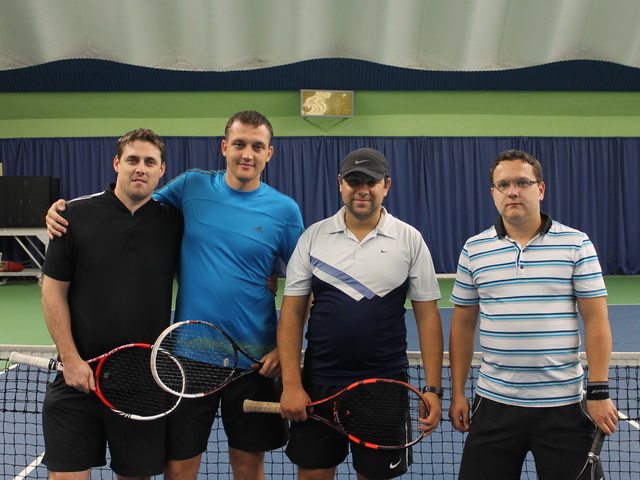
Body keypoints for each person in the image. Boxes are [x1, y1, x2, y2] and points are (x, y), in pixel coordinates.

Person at [45, 110, 305, 480]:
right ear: (224, 147)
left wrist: (283, 349)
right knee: (179, 467)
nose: (247, 154)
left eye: (257, 146)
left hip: (254, 361)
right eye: (239, 144)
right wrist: (62, 210)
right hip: (186, 359)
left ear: (269, 153)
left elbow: (303, 284)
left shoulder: (285, 210)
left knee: (249, 465)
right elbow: (134, 203)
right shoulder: (191, 186)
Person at [448, 149, 619, 480]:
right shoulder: (474, 249)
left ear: (540, 189)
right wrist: (457, 392)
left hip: (564, 408)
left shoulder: (576, 244)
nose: (512, 191)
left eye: (522, 182)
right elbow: (463, 325)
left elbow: (596, 320)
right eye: (503, 185)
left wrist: (599, 391)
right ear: (493, 193)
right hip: (493, 406)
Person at [277, 148, 444, 480]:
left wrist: (433, 389)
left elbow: (427, 317)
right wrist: (292, 384)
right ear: (340, 183)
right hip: (319, 384)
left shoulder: (410, 239)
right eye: (354, 181)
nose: (362, 189)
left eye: (371, 181)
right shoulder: (313, 238)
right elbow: (292, 314)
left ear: (387, 185)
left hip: (385, 386)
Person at [41, 128, 184, 479]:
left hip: (143, 381)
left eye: (149, 162)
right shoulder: (72, 216)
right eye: (132, 159)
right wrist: (71, 360)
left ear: (162, 170)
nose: (141, 168)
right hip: (79, 377)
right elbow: (52, 292)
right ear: (117, 163)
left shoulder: (175, 223)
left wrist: (267, 276)